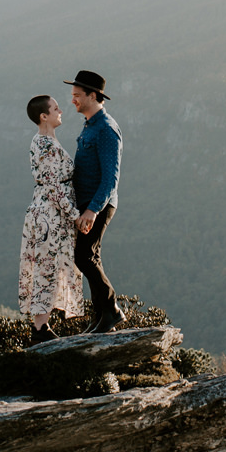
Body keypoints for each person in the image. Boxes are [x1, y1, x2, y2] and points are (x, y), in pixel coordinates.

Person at [18, 93, 85, 344]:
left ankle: (43, 325)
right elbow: (52, 186)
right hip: (49, 215)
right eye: (56, 108)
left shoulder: (48, 141)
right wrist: (74, 215)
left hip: (52, 213)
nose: (61, 111)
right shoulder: (44, 144)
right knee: (46, 267)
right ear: (43, 116)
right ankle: (39, 329)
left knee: (51, 266)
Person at [66, 68, 124, 332]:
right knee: (90, 257)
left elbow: (111, 178)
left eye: (77, 95)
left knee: (84, 257)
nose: (73, 100)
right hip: (87, 204)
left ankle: (111, 310)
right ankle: (100, 317)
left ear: (92, 95)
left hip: (98, 204)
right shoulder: (90, 124)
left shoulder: (107, 130)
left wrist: (92, 210)